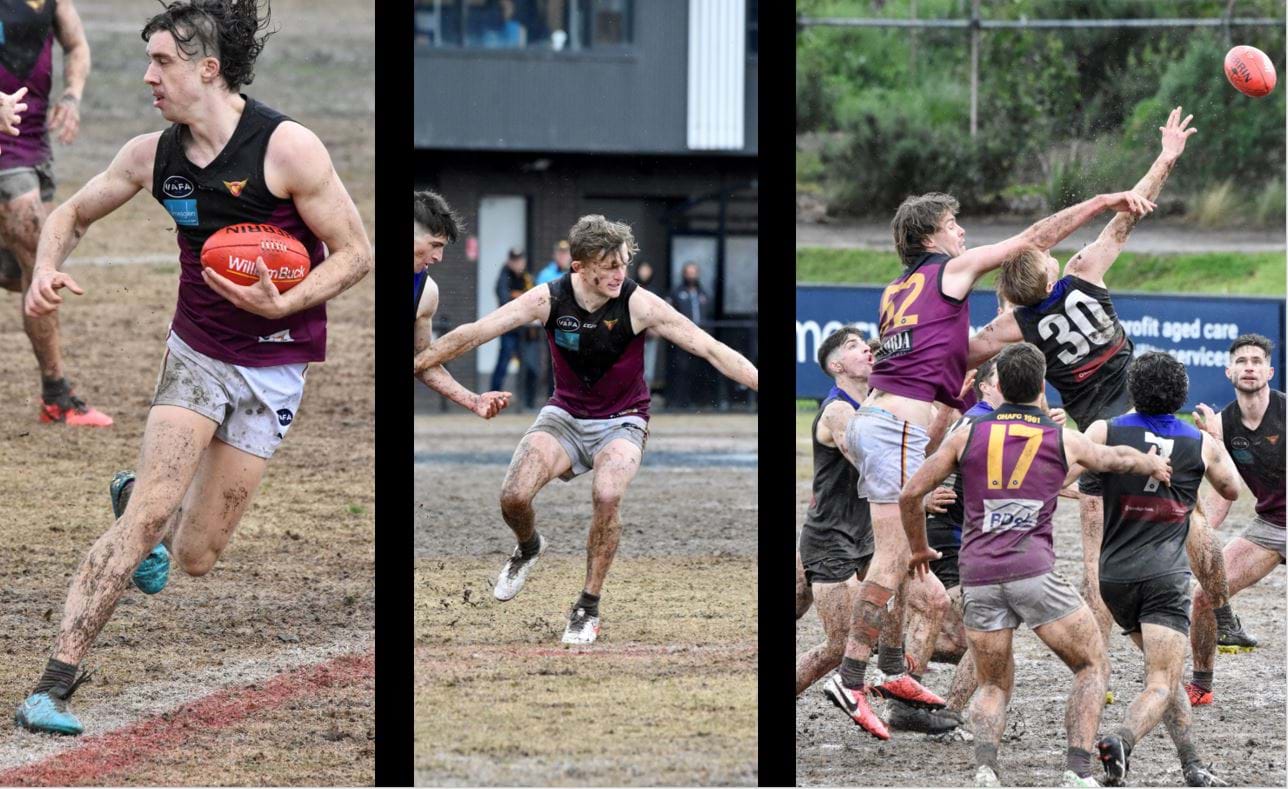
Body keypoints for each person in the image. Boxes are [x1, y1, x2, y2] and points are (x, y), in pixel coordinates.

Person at [14, 0, 372, 735]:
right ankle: (53, 682)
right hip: (198, 355)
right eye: (149, 61)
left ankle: (140, 498)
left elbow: (359, 253)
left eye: (163, 62)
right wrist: (46, 268)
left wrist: (286, 303)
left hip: (274, 370)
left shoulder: (288, 149)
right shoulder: (153, 155)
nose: (148, 76)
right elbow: (70, 214)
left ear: (207, 69)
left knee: (198, 553)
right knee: (147, 520)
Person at [824, 185, 1154, 739]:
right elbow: (1033, 239)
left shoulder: (895, 290)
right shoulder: (945, 272)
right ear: (930, 235)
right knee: (892, 557)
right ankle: (851, 676)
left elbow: (942, 359)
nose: (962, 233)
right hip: (894, 428)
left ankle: (889, 670)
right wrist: (1103, 201)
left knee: (911, 567)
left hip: (878, 423)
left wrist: (963, 392)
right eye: (954, 224)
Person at [965, 108, 1240, 657]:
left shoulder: (1013, 323)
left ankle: (1101, 663)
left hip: (1099, 433)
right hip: (1150, 413)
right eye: (1046, 254)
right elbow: (1127, 216)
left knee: (1095, 552)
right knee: (1190, 518)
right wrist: (1165, 158)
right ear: (1048, 272)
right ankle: (1225, 611)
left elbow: (963, 351)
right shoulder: (1084, 272)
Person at [413, 214, 758, 644]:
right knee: (513, 496)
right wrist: (418, 362)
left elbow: (710, 347)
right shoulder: (549, 298)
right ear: (578, 265)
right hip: (565, 415)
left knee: (608, 494)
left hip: (623, 420)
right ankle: (529, 546)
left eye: (624, 264)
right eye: (609, 266)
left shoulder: (638, 304)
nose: (620, 274)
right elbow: (477, 332)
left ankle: (587, 606)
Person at [900, 343, 1171, 788]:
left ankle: (986, 769)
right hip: (1035, 575)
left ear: (999, 386)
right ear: (1042, 387)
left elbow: (911, 493)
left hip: (979, 577)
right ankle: (1076, 771)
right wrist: (1153, 463)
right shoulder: (1061, 437)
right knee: (1092, 667)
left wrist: (917, 549)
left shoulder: (968, 433)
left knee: (992, 683)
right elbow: (1115, 459)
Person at [1087, 352, 1239, 787]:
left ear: (1132, 389)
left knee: (1165, 674)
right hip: (1163, 576)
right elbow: (1230, 486)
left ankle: (1192, 763)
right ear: (1182, 394)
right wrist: (1213, 439)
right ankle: (1121, 739)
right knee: (1162, 678)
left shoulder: (1105, 430)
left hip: (1113, 575)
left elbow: (1066, 472)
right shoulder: (1198, 442)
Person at [797, 329, 958, 736]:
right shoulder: (838, 412)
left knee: (934, 600)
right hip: (832, 539)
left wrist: (940, 415)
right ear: (835, 366)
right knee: (839, 647)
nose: (864, 348)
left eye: (865, 343)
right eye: (852, 346)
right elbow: (878, 467)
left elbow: (908, 457)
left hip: (872, 538)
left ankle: (901, 698)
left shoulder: (881, 407)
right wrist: (919, 496)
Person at [0, 0, 105, 425]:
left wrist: (72, 96)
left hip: (35, 146)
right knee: (37, 261)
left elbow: (77, 45)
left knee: (19, 272)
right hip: (5, 153)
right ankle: (57, 394)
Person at [1186, 334, 1285, 706]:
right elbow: (1225, 495)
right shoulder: (1222, 425)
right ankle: (1201, 686)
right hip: (1271, 528)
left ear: (1269, 371)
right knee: (1203, 597)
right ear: (1229, 372)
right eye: (1241, 361)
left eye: (1256, 361)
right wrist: (1202, 538)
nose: (1249, 367)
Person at [413, 190, 510, 417]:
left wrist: (474, 401)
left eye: (443, 247)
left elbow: (423, 362)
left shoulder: (426, 292)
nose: (439, 257)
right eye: (434, 244)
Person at [490, 246, 537, 405]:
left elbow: (536, 299)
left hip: (525, 330)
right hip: (509, 329)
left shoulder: (527, 277)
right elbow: (504, 299)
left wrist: (517, 296)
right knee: (503, 364)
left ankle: (527, 402)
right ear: (509, 261)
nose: (518, 264)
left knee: (529, 366)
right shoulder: (504, 276)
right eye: (515, 260)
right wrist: (521, 297)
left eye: (520, 260)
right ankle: (493, 397)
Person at [666, 261, 713, 408]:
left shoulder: (703, 293)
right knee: (681, 369)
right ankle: (679, 401)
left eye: (694, 273)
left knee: (699, 369)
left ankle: (698, 401)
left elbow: (709, 314)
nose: (691, 276)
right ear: (684, 274)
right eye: (689, 273)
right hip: (682, 337)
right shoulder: (676, 292)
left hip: (702, 338)